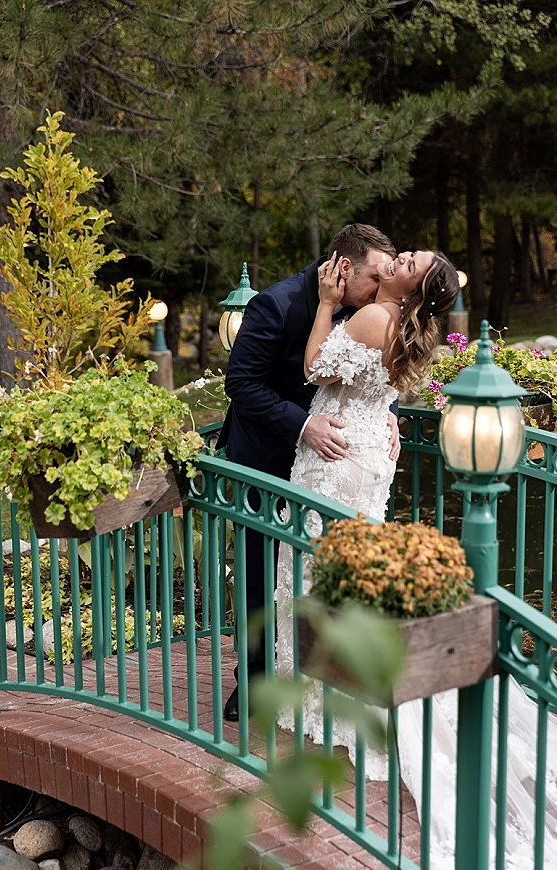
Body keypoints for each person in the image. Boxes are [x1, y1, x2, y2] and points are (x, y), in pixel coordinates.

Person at [275, 252, 557, 868]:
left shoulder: (376, 314)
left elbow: (314, 366)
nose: (399, 256)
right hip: (373, 448)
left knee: (317, 570)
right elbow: (383, 390)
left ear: (412, 287)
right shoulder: (408, 328)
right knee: (342, 571)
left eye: (409, 261)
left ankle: (337, 704)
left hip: (338, 456)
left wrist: (325, 304)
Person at [218, 224, 398, 722]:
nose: (381, 288)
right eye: (375, 277)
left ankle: (326, 678)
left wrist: (389, 413)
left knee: (314, 575)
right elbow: (241, 384)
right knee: (259, 573)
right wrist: (304, 427)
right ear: (343, 269)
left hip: (329, 466)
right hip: (265, 461)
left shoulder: (369, 311)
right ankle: (252, 682)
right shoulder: (275, 305)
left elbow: (374, 369)